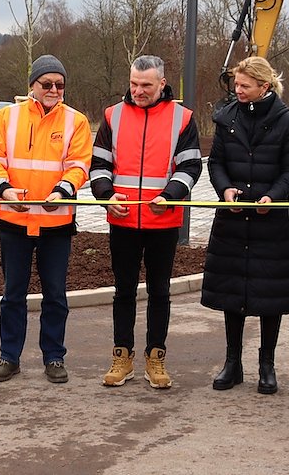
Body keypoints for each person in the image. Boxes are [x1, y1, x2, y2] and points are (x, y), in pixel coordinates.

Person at [89, 55, 201, 388]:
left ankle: (156, 357)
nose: (138, 91)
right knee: (123, 291)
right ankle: (122, 356)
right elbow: (99, 165)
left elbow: (191, 166)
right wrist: (107, 196)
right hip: (122, 220)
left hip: (163, 221)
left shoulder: (182, 118)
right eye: (134, 84)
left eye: (146, 85)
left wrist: (170, 194)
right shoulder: (112, 115)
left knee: (159, 292)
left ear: (162, 84)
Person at [0, 55, 93, 385]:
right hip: (13, 221)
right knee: (12, 294)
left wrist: (62, 190)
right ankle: (9, 356)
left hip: (56, 223)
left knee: (55, 295)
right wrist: (3, 189)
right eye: (47, 84)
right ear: (33, 85)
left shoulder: (76, 121)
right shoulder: (7, 116)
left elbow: (80, 164)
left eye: (60, 85)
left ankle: (54, 356)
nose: (54, 90)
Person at [201, 56, 289, 395]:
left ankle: (266, 364)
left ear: (264, 86)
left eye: (245, 85)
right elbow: (216, 162)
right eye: (236, 84)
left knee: (269, 294)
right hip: (232, 219)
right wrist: (224, 189)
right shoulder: (227, 117)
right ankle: (233, 362)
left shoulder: (286, 121)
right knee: (232, 291)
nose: (238, 90)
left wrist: (274, 196)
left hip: (269, 222)